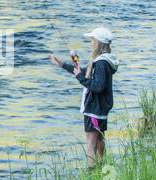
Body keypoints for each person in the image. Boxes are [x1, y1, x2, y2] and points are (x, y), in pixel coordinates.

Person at [49, 26, 118, 167]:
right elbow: (84, 72)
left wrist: (80, 77)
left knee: (91, 145)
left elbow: (97, 86)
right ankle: (103, 174)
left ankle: (91, 178)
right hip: (100, 109)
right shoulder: (103, 61)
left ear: (98, 42)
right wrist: (62, 64)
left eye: (92, 40)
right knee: (99, 142)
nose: (91, 43)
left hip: (94, 108)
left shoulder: (101, 63)